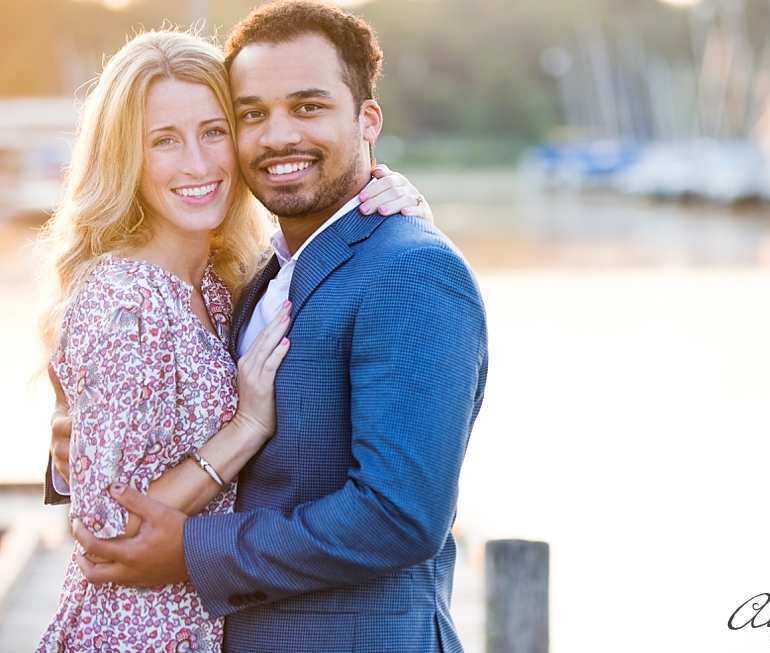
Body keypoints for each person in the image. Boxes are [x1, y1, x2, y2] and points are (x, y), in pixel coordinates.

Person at [57, 2, 488, 652]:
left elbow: (399, 515)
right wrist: (82, 440)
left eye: (308, 107)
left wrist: (193, 549)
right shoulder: (249, 276)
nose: (278, 135)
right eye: (252, 114)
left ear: (367, 119)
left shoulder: (412, 269)